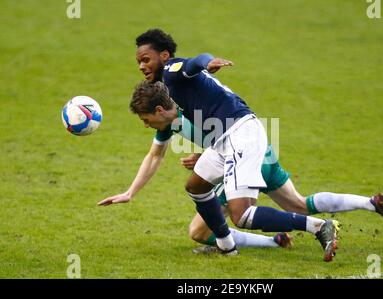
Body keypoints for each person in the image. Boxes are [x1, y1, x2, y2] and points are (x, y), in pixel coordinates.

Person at [99, 81, 339, 261]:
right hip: (226, 152)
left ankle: (317, 226)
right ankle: (232, 245)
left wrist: (206, 63)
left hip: (246, 147)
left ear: (160, 109)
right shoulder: (168, 123)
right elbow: (154, 156)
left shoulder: (193, 110)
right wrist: (130, 192)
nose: (145, 124)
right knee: (195, 191)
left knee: (242, 215)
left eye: (145, 118)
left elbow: (228, 123)